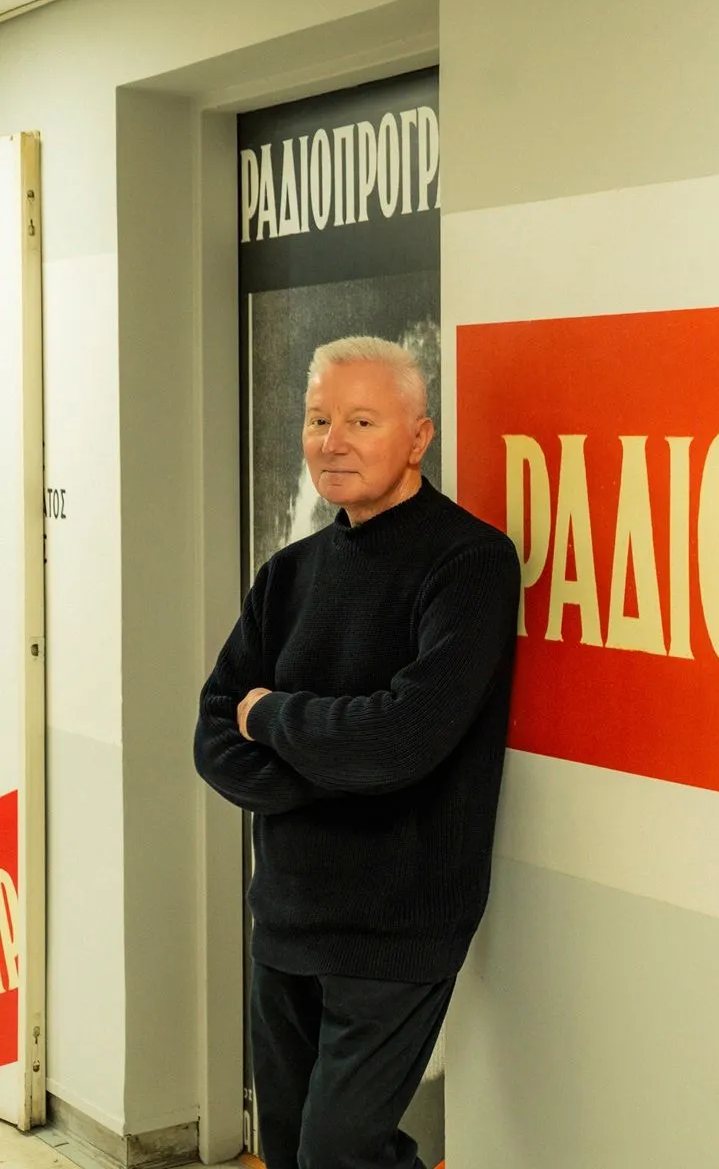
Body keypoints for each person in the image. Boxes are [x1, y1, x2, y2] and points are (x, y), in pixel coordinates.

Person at [194, 336, 521, 1169]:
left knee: (338, 1153)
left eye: (361, 421)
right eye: (318, 420)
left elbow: (402, 740)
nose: (331, 442)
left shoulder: (470, 563)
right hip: (287, 914)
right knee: (290, 1148)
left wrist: (275, 717)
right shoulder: (288, 575)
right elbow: (214, 737)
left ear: (419, 437)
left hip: (399, 921)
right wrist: (340, 763)